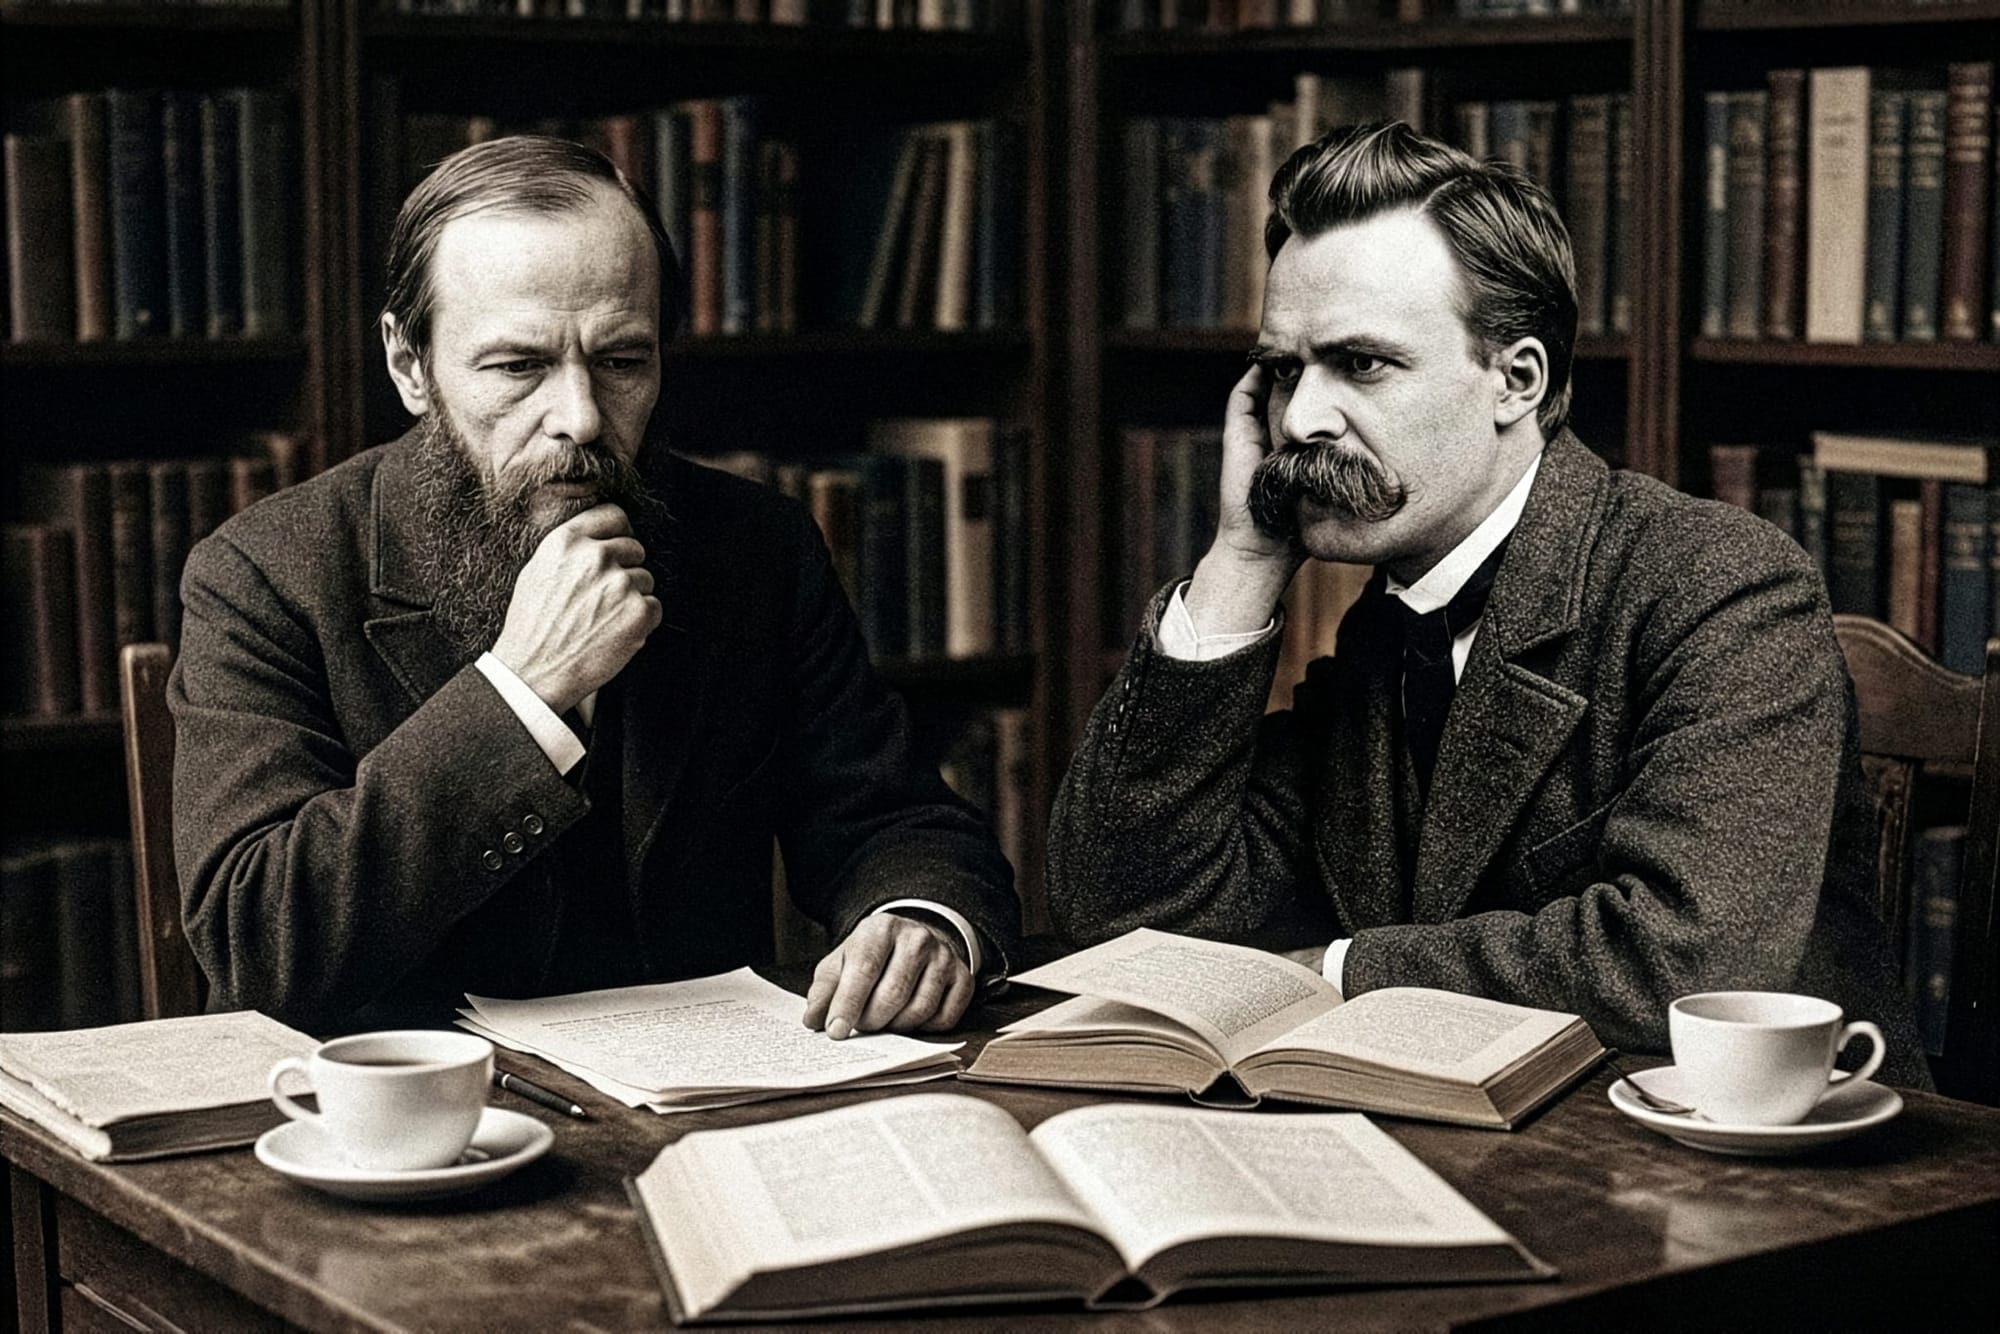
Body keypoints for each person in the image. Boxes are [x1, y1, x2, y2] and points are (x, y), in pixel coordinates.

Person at [1047, 122, 1927, 1085]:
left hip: (1775, 1192)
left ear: (1518, 380)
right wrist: (1244, 554)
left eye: (1363, 364)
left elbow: (1686, 964)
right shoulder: (1384, 627)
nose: (1299, 420)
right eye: (1287, 370)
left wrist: (1342, 971)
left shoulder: (1723, 587)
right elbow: (1126, 915)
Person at [170, 136, 1020, 1036]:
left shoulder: (757, 547)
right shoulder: (264, 572)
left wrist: (922, 919)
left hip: (696, 1109)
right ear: (409, 365)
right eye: (517, 367)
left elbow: (894, 821)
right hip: (390, 1127)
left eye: (620, 362)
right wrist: (524, 695)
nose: (578, 418)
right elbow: (256, 942)